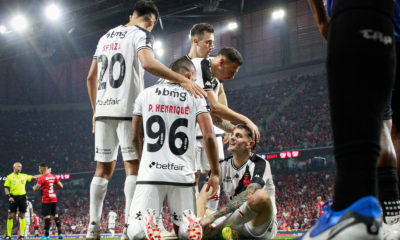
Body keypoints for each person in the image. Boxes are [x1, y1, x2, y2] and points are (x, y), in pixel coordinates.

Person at [85, 1, 205, 239]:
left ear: (132, 15)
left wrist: (95, 110)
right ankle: (130, 227)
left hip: (103, 110)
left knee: (101, 170)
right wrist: (183, 80)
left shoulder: (105, 36)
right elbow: (148, 63)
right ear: (151, 22)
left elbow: (90, 78)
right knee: (133, 167)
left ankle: (93, 227)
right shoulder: (141, 34)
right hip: (127, 109)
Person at [300, 0, 397, 239]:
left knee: (380, 129)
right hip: (389, 21)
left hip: (361, 17)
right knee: (394, 134)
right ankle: (394, 221)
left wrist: (323, 19)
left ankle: (352, 209)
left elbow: (325, 23)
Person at [127, 57, 220, 240]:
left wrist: (143, 161)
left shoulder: (146, 94)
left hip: (151, 173)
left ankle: (147, 223)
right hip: (183, 174)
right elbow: (209, 135)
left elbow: (135, 137)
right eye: (193, 80)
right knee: (185, 230)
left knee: (134, 230)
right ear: (188, 75)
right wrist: (215, 173)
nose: (193, 84)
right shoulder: (196, 97)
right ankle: (188, 223)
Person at [191, 47, 261, 188]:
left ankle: (204, 209)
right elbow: (215, 108)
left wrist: (231, 127)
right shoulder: (201, 68)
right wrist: (246, 120)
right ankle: (193, 209)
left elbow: (215, 112)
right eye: (232, 71)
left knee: (213, 174)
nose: (233, 76)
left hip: (202, 127)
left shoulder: (215, 77)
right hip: (188, 129)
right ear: (222, 62)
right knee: (194, 175)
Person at [196, 125, 277, 240]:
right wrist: (199, 221)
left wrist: (212, 218)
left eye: (238, 136)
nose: (232, 138)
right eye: (232, 135)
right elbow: (203, 196)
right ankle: (220, 231)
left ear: (250, 144)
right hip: (235, 221)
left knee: (260, 195)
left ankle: (217, 231)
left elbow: (249, 193)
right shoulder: (222, 165)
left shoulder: (260, 164)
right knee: (197, 204)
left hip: (259, 226)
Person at [4, 162, 40, 240]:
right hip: (13, 197)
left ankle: (22, 235)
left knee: (22, 216)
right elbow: (6, 188)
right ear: (14, 167)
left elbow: (34, 177)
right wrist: (9, 196)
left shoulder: (23, 176)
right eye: (18, 166)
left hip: (22, 198)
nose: (20, 168)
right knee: (10, 216)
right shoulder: (9, 177)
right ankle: (8, 235)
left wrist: (43, 175)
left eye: (21, 167)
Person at [33, 163, 63, 240]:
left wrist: (34, 186)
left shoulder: (42, 178)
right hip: (54, 198)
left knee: (47, 217)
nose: (39, 170)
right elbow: (61, 186)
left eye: (39, 169)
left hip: (46, 199)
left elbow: (36, 188)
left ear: (42, 169)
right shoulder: (53, 176)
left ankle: (46, 235)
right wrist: (52, 187)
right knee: (55, 215)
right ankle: (60, 234)